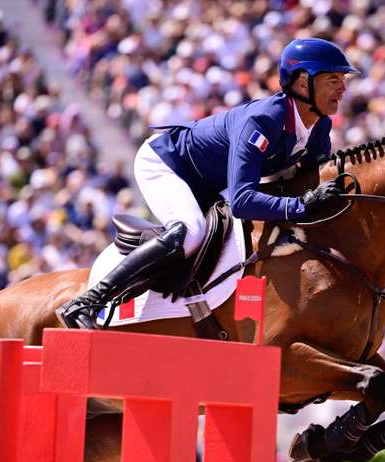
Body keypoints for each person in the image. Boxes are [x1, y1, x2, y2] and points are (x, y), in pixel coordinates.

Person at [57, 38, 360, 329]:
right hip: (166, 164)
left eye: (343, 80)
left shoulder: (320, 127)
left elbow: (305, 184)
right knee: (190, 232)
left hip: (207, 185)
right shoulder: (263, 119)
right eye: (333, 80)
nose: (343, 88)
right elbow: (242, 201)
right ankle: (87, 301)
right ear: (303, 82)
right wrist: (300, 206)